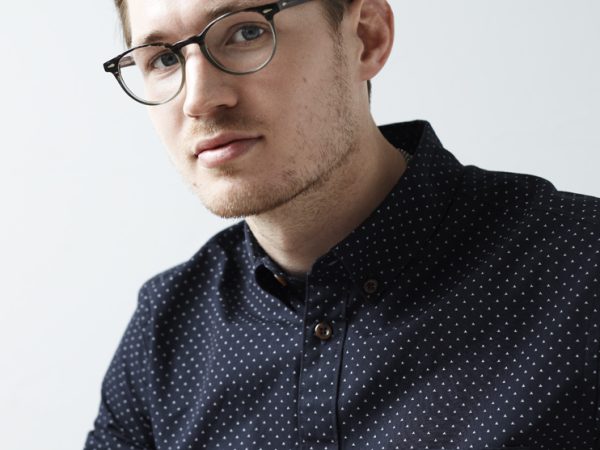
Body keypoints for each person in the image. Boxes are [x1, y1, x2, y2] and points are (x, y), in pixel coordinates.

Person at [85, 0, 600, 448]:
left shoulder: (582, 271)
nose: (199, 99)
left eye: (246, 31)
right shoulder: (164, 332)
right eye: (163, 59)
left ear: (366, 37)